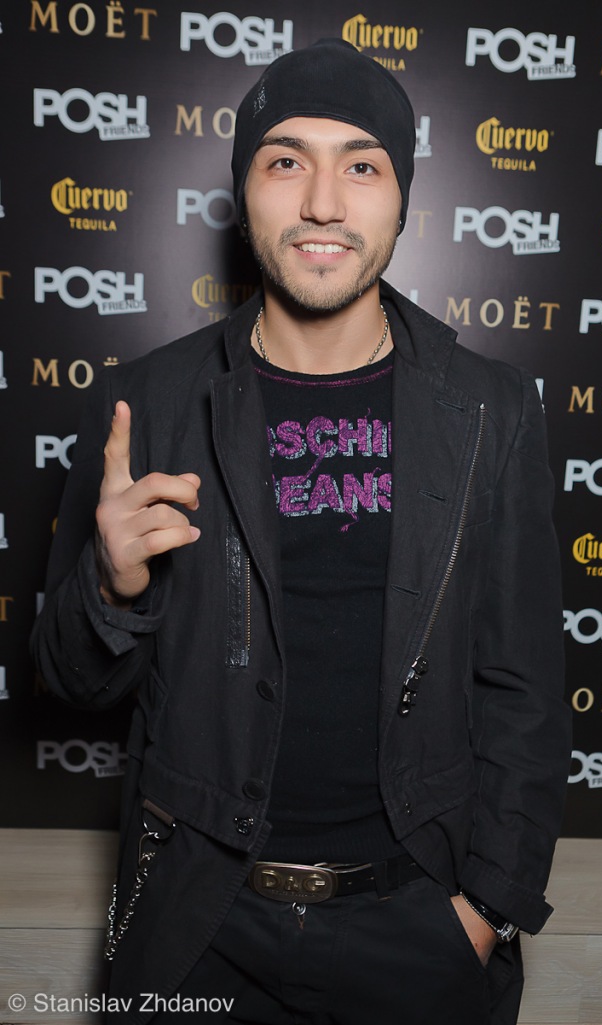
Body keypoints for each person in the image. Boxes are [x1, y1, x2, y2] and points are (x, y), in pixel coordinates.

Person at [32, 38, 571, 1025]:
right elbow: (70, 681)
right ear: (244, 192)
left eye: (362, 165)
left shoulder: (490, 408)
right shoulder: (148, 402)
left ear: (401, 199)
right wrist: (110, 590)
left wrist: (487, 908)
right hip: (198, 921)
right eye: (286, 160)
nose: (323, 201)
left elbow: (525, 688)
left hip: (421, 921)